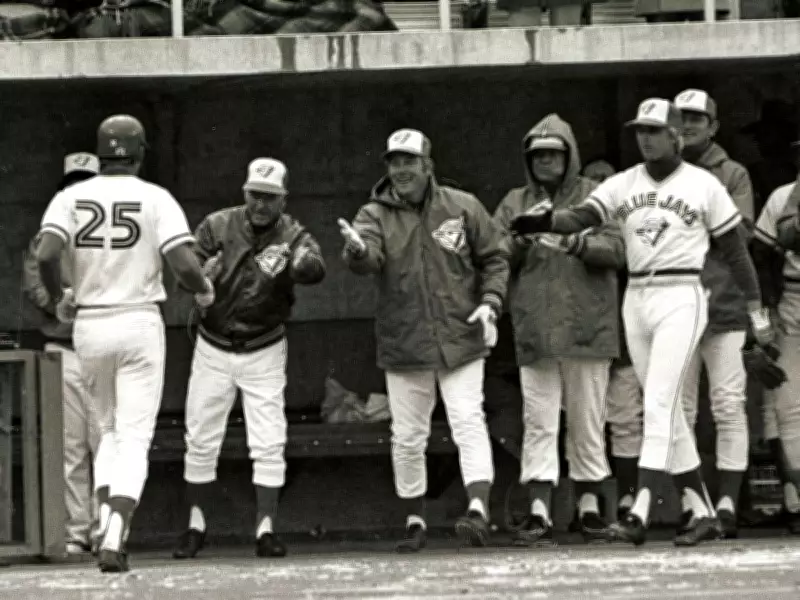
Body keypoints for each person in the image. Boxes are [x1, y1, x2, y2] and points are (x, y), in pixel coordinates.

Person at [508, 98, 774, 546]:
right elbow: (583, 217)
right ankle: (702, 509)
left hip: (682, 292)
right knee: (664, 406)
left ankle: (641, 511)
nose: (645, 138)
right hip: (638, 296)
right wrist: (548, 220)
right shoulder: (623, 182)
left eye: (653, 130)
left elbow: (736, 252)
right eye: (639, 130)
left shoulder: (704, 183)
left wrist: (757, 313)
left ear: (675, 135)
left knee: (658, 403)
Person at [35, 114, 213, 573]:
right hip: (137, 320)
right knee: (133, 436)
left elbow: (47, 253)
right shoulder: (156, 197)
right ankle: (115, 528)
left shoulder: (69, 196)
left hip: (90, 324)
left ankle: (105, 522)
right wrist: (204, 290)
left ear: (100, 153)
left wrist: (59, 299)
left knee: (108, 432)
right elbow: (185, 265)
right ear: (139, 153)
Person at [339, 128, 509, 552]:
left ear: (427, 164)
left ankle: (478, 510)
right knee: (408, 435)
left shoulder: (462, 205)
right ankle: (415, 519)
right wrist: (358, 253)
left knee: (468, 420)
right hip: (406, 341)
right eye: (394, 162)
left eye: (409, 161)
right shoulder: (373, 214)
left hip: (461, 334)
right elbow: (368, 257)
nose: (401, 170)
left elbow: (495, 256)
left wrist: (491, 301)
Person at [172, 158, 325, 560]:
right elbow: (182, 268)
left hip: (264, 346)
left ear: (283, 199)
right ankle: (195, 524)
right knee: (201, 438)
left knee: (269, 440)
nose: (261, 204)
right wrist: (200, 273)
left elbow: (314, 266)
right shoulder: (217, 224)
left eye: (270, 198)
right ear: (244, 193)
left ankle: (265, 528)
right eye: (255, 195)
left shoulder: (293, 234)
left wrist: (306, 267)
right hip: (214, 343)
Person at [493, 115, 624, 545]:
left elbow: (618, 249)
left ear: (569, 155)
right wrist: (520, 239)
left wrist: (575, 242)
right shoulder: (514, 200)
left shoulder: (595, 196)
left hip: (588, 324)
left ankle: (589, 509)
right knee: (540, 421)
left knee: (588, 420)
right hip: (537, 328)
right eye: (538, 155)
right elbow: (494, 255)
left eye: (553, 153)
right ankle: (539, 511)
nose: (545, 160)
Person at [673, 89, 756, 538]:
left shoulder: (732, 172)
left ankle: (726, 502)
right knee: (679, 409)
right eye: (680, 119)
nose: (687, 126)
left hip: (723, 301)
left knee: (727, 405)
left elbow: (739, 234)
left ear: (713, 126)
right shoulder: (656, 173)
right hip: (675, 305)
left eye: (696, 119)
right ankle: (694, 503)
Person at [23, 152, 100, 555]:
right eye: (73, 184)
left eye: (87, 183)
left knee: (105, 442)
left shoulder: (109, 233)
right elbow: (34, 281)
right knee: (72, 446)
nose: (79, 190)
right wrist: (57, 301)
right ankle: (78, 530)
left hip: (103, 346)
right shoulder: (48, 233)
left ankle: (107, 528)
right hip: (64, 348)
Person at [757, 161, 800, 533]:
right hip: (792, 299)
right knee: (787, 404)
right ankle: (795, 497)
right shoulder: (783, 195)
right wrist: (764, 313)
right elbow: (761, 256)